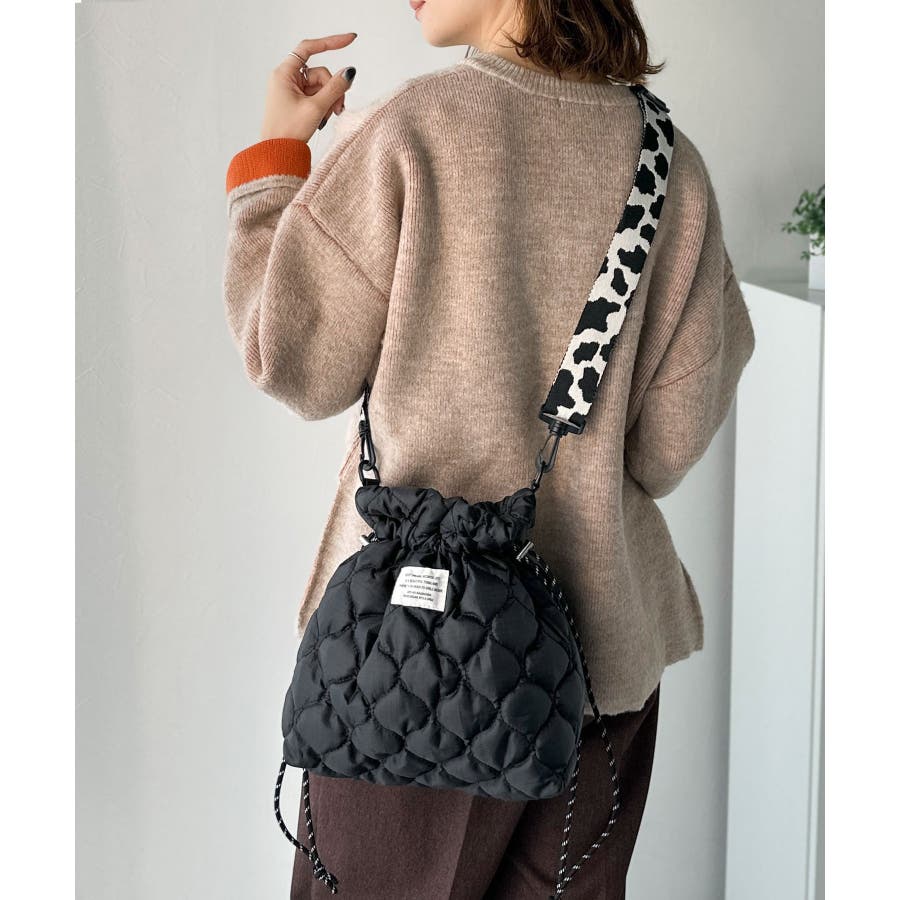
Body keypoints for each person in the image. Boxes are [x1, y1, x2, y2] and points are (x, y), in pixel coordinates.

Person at [222, 2, 755, 897]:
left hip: (412, 666)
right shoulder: (672, 166)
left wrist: (275, 162)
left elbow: (295, 363)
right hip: (598, 663)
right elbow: (667, 449)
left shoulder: (415, 129)